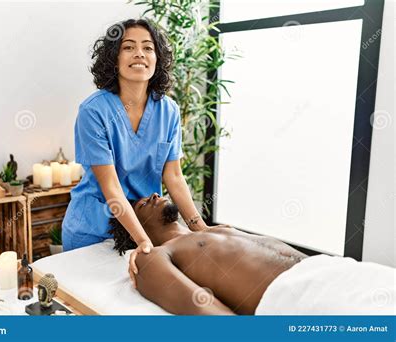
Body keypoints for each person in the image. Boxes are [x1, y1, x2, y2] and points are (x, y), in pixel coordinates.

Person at [62, 19, 225, 281]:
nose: (140, 53)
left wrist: (200, 229)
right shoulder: (93, 112)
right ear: (114, 59)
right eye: (128, 47)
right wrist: (143, 241)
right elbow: (111, 187)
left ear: (157, 59)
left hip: (147, 223)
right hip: (94, 228)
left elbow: (173, 177)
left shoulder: (168, 110)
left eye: (148, 48)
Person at [109, 193, 396, 315]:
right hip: (304, 300)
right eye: (145, 202)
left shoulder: (215, 230)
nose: (156, 196)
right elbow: (198, 306)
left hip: (342, 273)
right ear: (134, 227)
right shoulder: (154, 255)